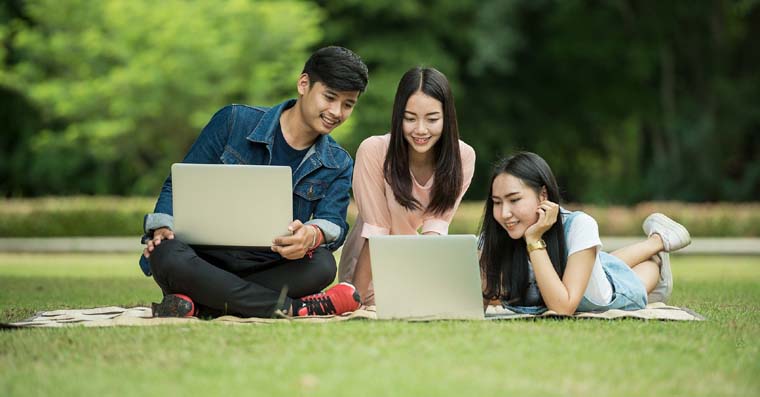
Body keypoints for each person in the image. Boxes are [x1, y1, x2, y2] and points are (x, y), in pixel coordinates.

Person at [139, 46, 368, 318]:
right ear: (304, 84)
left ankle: (200, 302)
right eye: (329, 97)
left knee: (322, 265)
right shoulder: (233, 120)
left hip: (270, 264)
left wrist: (312, 235)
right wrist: (163, 226)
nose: (336, 111)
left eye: (348, 104)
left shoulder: (339, 162)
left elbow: (333, 223)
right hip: (202, 258)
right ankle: (292, 308)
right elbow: (178, 184)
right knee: (165, 254)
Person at [479, 152, 692, 315]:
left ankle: (657, 245)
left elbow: (563, 308)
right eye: (497, 203)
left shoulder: (580, 225)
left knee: (644, 268)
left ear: (543, 195)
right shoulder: (497, 234)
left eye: (514, 200)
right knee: (601, 262)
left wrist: (534, 240)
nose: (504, 213)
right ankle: (657, 239)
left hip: (611, 291)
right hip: (591, 266)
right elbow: (482, 299)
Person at [338, 67, 476, 306]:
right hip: (367, 261)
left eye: (432, 119)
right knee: (373, 305)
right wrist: (356, 302)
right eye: (410, 118)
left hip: (416, 256)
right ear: (398, 116)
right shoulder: (374, 151)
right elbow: (375, 232)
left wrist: (426, 284)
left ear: (447, 118)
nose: (420, 130)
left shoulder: (462, 156)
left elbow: (436, 228)